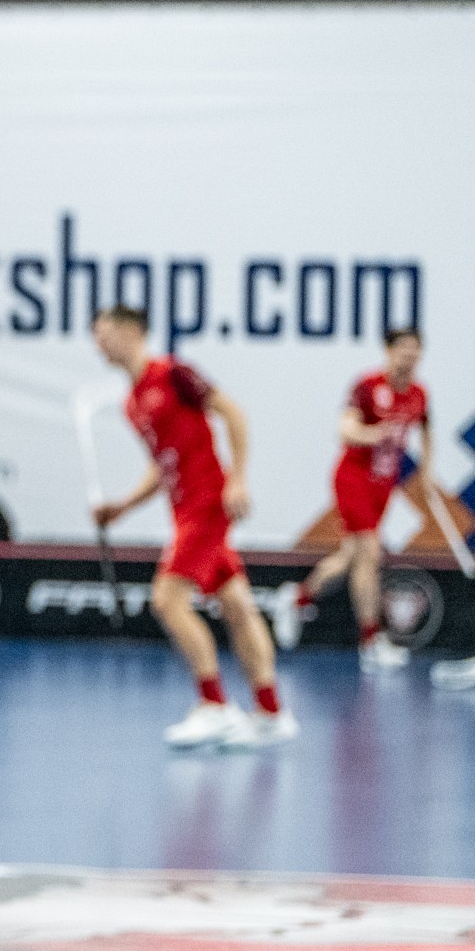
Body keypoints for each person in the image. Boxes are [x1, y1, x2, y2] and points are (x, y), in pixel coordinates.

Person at [89, 305, 294, 750]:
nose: (97, 343)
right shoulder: (131, 403)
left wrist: (238, 479)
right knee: (236, 606)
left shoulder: (173, 374)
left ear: (131, 331)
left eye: (103, 332)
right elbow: (161, 466)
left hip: (208, 503)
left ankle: (214, 704)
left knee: (167, 600)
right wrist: (122, 507)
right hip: (182, 510)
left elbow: (233, 414)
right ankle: (271, 713)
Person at [277, 328, 430, 669]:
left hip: (383, 485)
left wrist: (428, 473)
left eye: (415, 351)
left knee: (351, 556)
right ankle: (371, 641)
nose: (409, 357)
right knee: (369, 554)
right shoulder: (368, 386)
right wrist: (375, 434)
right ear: (389, 351)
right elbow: (345, 429)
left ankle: (297, 598)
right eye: (403, 349)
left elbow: (426, 429)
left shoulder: (419, 394)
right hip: (353, 479)